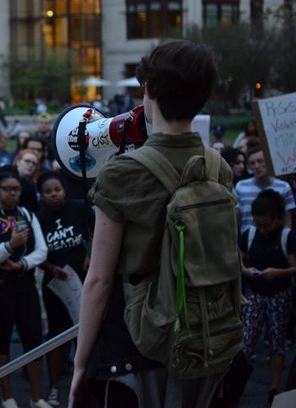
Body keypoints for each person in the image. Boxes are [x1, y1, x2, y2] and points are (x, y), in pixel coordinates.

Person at [70, 40, 236, 408]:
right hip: (209, 336)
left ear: (148, 90)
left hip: (143, 346)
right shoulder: (218, 166)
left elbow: (98, 280)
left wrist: (81, 362)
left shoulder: (122, 172)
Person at [0, 171, 49, 408]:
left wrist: (22, 263)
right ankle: (8, 396)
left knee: (34, 340)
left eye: (16, 189)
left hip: (24, 284)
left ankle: (37, 396)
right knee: (0, 341)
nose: (12, 193)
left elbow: (41, 250)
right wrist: (8, 247)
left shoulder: (27, 214)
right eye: (7, 189)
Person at [36, 170, 93, 407]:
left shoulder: (80, 208)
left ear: (64, 190)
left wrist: (92, 255)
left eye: (57, 190)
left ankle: (84, 385)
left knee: (85, 333)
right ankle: (54, 386)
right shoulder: (38, 219)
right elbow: (35, 254)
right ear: (41, 195)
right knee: (57, 337)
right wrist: (50, 268)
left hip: (86, 282)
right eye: (48, 192)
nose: (54, 195)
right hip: (56, 285)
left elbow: (98, 231)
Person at [239, 189, 296, 404]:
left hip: (279, 295)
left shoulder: (286, 237)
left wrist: (277, 272)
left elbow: (294, 267)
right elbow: (240, 261)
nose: (263, 230)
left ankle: (274, 386)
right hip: (255, 292)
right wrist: (246, 270)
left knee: (277, 341)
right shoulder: (250, 235)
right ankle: (238, 381)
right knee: (247, 338)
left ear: (277, 219)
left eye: (267, 225)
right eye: (259, 225)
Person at [234, 147, 296, 232]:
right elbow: (237, 217)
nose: (257, 166)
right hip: (248, 240)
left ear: (268, 161)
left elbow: (287, 220)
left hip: (275, 240)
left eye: (260, 161)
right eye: (252, 163)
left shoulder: (283, 187)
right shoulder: (241, 187)